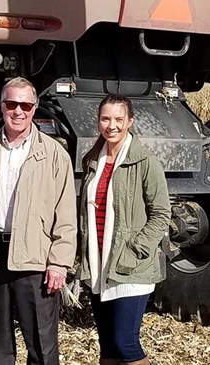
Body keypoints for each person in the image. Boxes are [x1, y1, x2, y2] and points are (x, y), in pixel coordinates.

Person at [0, 77, 77, 365]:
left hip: (34, 260)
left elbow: (66, 215)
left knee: (42, 344)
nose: (18, 111)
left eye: (25, 105)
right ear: (2, 106)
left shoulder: (54, 154)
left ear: (35, 108)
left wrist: (59, 263)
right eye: (12, 104)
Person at [78, 94, 171, 365]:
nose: (112, 125)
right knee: (107, 345)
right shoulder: (93, 161)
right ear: (98, 122)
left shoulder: (145, 162)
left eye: (119, 119)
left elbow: (161, 213)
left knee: (125, 341)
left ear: (130, 121)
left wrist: (137, 248)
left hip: (131, 267)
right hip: (99, 264)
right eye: (106, 119)